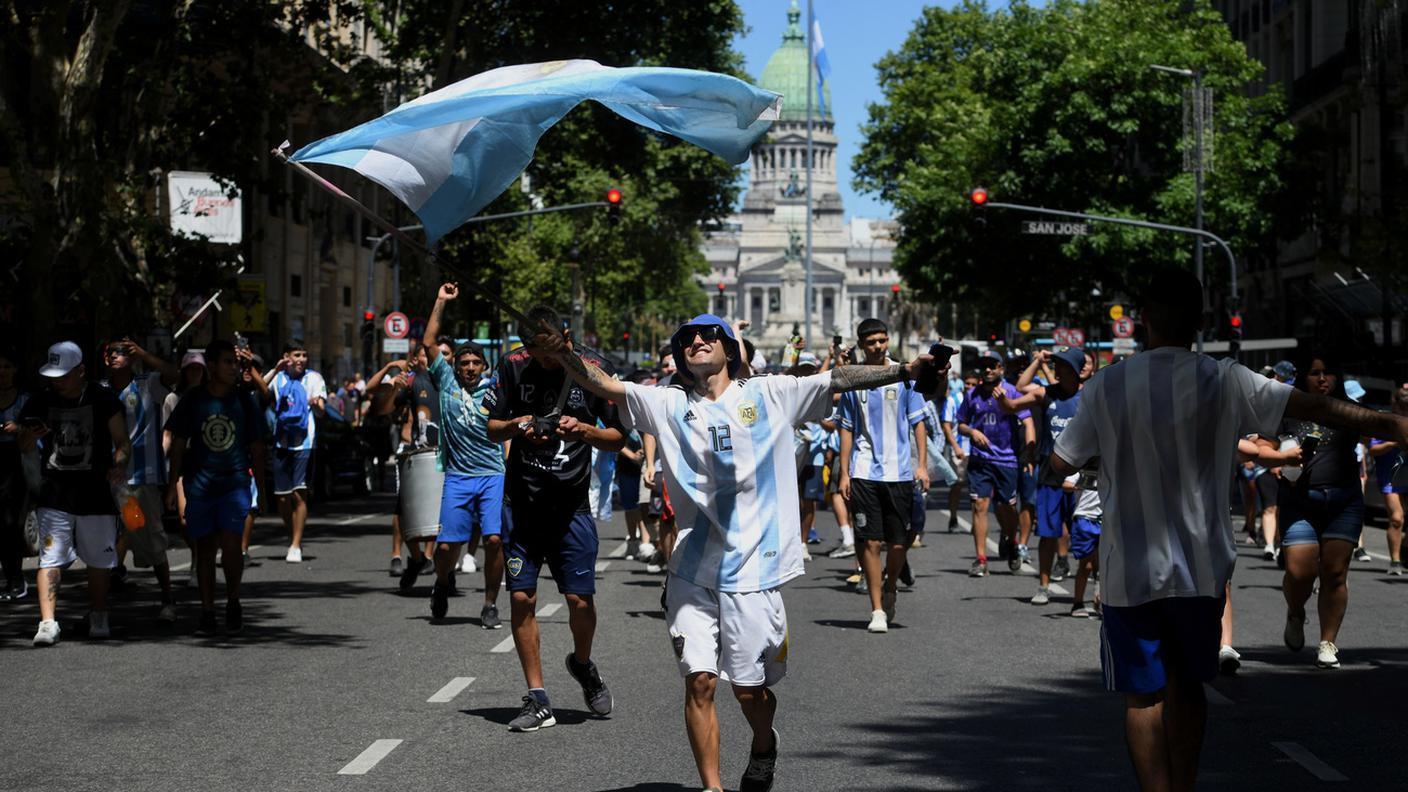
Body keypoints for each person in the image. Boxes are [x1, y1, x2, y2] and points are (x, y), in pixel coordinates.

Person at [539, 311, 940, 792]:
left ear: (730, 348)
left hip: (754, 569)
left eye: (710, 335)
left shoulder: (768, 394)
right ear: (680, 355)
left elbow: (839, 378)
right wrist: (564, 352)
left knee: (751, 691)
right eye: (687, 339)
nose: (697, 342)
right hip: (691, 570)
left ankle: (764, 741)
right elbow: (607, 386)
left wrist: (904, 371)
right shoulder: (667, 403)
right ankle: (713, 787)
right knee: (701, 682)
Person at [1049, 267, 1408, 792]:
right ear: (1201, 320)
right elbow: (1319, 409)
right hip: (1200, 568)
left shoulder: (1106, 385)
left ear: (1143, 319)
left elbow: (1060, 465)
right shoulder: (1227, 378)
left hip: (1129, 570)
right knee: (1188, 685)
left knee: (1143, 696)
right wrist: (1391, 425)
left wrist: (1102, 463)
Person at [484, 305, 626, 732]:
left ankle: (582, 664)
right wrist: (517, 425)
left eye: (548, 351)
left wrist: (582, 431)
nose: (542, 361)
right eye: (534, 352)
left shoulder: (596, 369)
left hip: (571, 507)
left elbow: (618, 437)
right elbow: (491, 428)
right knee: (521, 598)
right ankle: (538, 697)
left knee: (580, 601)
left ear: (565, 336)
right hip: (521, 504)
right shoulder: (511, 365)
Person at [1263, 351, 1378, 670]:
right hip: (1299, 500)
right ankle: (1296, 612)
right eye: (1315, 372)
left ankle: (1328, 642)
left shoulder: (1350, 411)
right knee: (1300, 571)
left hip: (1344, 501)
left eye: (1328, 372)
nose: (1322, 378)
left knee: (1335, 572)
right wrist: (1276, 461)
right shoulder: (1288, 409)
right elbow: (1263, 444)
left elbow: (1381, 430)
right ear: (1304, 377)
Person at [19, 341, 130, 645]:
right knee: (50, 558)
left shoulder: (103, 399)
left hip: (96, 492)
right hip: (54, 492)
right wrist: (27, 439)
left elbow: (122, 441)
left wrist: (119, 464)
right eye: (53, 375)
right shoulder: (39, 402)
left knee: (98, 560)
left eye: (64, 375)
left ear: (81, 371)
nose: (57, 382)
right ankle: (47, 622)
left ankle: (98, 613)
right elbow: (24, 445)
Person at [165, 340, 267, 635]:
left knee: (232, 545)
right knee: (206, 549)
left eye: (235, 363)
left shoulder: (244, 400)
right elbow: (179, 444)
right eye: (227, 362)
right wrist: (173, 486)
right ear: (211, 367)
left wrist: (260, 490)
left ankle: (233, 600)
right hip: (201, 485)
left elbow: (257, 448)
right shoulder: (194, 399)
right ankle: (207, 610)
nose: (234, 368)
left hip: (234, 483)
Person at [421, 284, 507, 629]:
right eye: (464, 362)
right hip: (458, 476)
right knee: (445, 548)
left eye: (475, 363)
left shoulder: (495, 388)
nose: (469, 367)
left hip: (492, 475)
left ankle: (489, 604)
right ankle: (442, 584)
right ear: (454, 365)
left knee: (495, 540)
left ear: (483, 366)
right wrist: (441, 300)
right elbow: (428, 343)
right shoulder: (446, 382)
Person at [837, 318, 928, 633]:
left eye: (881, 340)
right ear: (862, 346)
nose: (878, 347)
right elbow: (846, 428)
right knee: (870, 541)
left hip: (899, 471)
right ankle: (877, 609)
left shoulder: (904, 377)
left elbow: (918, 423)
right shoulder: (853, 379)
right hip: (864, 471)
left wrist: (922, 465)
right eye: (871, 342)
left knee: (899, 543)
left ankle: (891, 586)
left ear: (887, 340)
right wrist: (845, 472)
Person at [100, 337, 178, 621]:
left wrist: (144, 352)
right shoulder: (100, 390)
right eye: (110, 352)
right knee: (107, 538)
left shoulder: (148, 384)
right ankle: (99, 607)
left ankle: (167, 599)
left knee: (147, 535)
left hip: (138, 478)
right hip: (105, 478)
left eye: (122, 352)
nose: (114, 356)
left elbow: (175, 375)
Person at [1001, 346, 1086, 605]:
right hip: (1051, 475)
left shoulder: (1090, 396)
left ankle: (1088, 591)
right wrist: (1038, 361)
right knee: (1048, 533)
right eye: (1056, 365)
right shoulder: (1047, 393)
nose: (1058, 369)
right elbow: (1018, 391)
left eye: (1062, 365)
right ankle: (1044, 585)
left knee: (1087, 535)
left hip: (1083, 477)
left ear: (1075, 370)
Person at [957, 354, 1034, 577]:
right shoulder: (972, 394)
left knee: (1005, 508)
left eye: (992, 366)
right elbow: (960, 423)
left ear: (1000, 368)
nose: (988, 370)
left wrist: (1029, 452)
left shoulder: (1011, 391)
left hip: (1007, 460)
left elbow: (1028, 421)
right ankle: (981, 559)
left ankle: (1012, 540)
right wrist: (972, 431)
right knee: (979, 505)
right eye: (984, 367)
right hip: (981, 460)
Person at [264, 341, 326, 563]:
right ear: (287, 357)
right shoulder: (279, 379)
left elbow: (321, 412)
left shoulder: (314, 379)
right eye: (297, 355)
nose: (301, 359)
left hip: (305, 444)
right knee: (281, 497)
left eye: (304, 355)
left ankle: (296, 544)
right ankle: (293, 536)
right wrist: (276, 368)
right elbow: (259, 389)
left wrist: (317, 404)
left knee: (299, 493)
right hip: (281, 443)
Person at [0, 345, 31, 601]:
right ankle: (8, 576)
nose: (2, 372)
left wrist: (19, 429)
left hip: (17, 465)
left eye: (7, 366)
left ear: (15, 369)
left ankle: (16, 577)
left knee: (12, 524)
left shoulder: (24, 399)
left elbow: (40, 430)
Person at [1368, 385, 1408, 575]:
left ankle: (1405, 551)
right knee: (1396, 518)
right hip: (1390, 477)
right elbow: (1373, 450)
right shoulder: (1385, 422)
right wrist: (1394, 442)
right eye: (1403, 405)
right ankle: (1395, 560)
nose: (1405, 409)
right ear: (1396, 404)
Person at [940, 370, 977, 532]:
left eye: (973, 384)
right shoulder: (953, 400)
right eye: (967, 383)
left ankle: (977, 523)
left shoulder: (983, 399)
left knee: (977, 489)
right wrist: (955, 446)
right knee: (957, 486)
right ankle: (953, 517)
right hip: (960, 450)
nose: (970, 387)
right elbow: (946, 425)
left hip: (978, 451)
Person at [1064, 472, 1101, 618]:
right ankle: (1078, 603)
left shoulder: (1110, 466)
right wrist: (1080, 485)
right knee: (1086, 565)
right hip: (1085, 518)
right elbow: (1065, 484)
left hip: (1105, 518)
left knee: (1106, 565)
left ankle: (1101, 600)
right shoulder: (1082, 470)